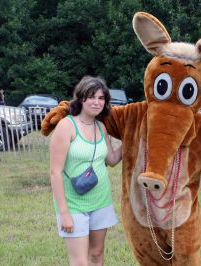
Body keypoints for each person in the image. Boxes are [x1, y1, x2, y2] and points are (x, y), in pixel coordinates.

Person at [49, 76, 122, 265]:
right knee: (80, 261)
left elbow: (112, 160)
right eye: (91, 97)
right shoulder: (67, 126)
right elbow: (55, 172)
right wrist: (64, 213)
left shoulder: (101, 127)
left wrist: (131, 139)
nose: (97, 102)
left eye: (101, 98)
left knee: (97, 254)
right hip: (73, 205)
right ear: (81, 99)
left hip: (101, 201)